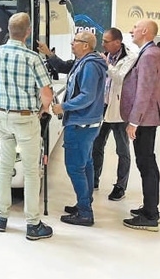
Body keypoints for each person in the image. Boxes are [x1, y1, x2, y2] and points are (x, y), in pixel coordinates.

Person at [0, 12, 54, 241]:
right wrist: (44, 108)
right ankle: (33, 224)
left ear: (8, 29)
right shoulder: (32, 58)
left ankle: (1, 217)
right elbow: (46, 93)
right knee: (31, 171)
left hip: (1, 117)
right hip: (25, 118)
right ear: (28, 32)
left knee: (5, 167)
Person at [52, 32, 107, 226]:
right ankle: (84, 203)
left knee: (75, 167)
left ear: (86, 45)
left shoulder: (89, 65)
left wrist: (63, 106)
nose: (72, 43)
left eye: (75, 41)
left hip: (81, 123)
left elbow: (86, 96)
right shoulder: (84, 62)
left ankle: (85, 213)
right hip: (88, 123)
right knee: (86, 164)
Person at [121, 19, 160, 232]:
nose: (131, 30)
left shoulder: (149, 55)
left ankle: (150, 215)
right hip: (148, 117)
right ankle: (150, 208)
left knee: (146, 163)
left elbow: (144, 91)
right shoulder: (152, 53)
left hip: (145, 118)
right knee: (147, 162)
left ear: (145, 31)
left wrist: (134, 121)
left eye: (135, 27)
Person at [92, 28, 136, 200]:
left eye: (106, 41)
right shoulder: (105, 55)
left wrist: (107, 64)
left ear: (117, 42)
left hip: (120, 111)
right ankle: (94, 179)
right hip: (102, 108)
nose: (103, 44)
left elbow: (119, 78)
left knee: (122, 150)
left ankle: (120, 187)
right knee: (96, 145)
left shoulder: (130, 57)